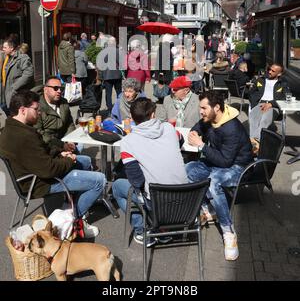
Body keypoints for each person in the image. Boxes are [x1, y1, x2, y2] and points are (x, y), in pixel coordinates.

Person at [0, 91, 106, 237]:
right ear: (23, 110)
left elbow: (41, 152)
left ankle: (72, 203)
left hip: (36, 172)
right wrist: (68, 160)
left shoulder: (13, 128)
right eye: (36, 109)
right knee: (100, 180)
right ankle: (73, 219)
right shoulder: (23, 136)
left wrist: (60, 153)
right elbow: (49, 169)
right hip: (39, 182)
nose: (39, 113)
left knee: (86, 161)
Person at [185, 90, 253, 261]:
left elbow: (225, 162)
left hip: (239, 168)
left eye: (203, 108)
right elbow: (197, 127)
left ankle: (228, 231)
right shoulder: (209, 119)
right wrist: (194, 134)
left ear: (216, 107)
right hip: (219, 163)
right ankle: (210, 209)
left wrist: (201, 145)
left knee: (214, 182)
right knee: (188, 169)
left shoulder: (231, 128)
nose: (201, 112)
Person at [112, 97, 188, 246]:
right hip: (186, 199)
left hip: (158, 202)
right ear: (153, 115)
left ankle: (143, 231)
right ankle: (163, 230)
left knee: (117, 187)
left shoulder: (128, 142)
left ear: (133, 118)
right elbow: (180, 141)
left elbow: (137, 181)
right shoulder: (168, 128)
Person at [35, 76, 85, 157]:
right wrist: (62, 146)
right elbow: (40, 134)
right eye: (55, 88)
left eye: (61, 88)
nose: (59, 91)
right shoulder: (37, 107)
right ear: (45, 89)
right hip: (48, 145)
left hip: (63, 140)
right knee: (84, 160)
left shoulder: (63, 102)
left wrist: (70, 140)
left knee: (80, 144)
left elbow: (69, 123)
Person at [248, 63, 288, 149]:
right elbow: (251, 92)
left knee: (265, 119)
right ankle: (254, 142)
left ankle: (255, 142)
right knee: (253, 117)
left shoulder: (283, 83)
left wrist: (271, 103)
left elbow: (286, 97)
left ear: (279, 74)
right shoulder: (260, 79)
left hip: (274, 106)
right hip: (260, 103)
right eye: (269, 69)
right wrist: (255, 103)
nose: (269, 71)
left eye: (273, 71)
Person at [0, 37, 34, 113]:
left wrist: (14, 87)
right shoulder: (8, 58)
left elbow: (28, 74)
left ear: (11, 48)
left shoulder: (23, 58)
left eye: (5, 47)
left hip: (18, 95)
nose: (3, 49)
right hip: (10, 94)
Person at [99, 37, 123, 114]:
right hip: (117, 75)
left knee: (108, 93)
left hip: (107, 75)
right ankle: (120, 107)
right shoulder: (118, 51)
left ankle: (109, 108)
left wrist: (101, 76)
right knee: (119, 92)